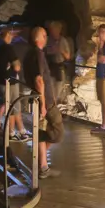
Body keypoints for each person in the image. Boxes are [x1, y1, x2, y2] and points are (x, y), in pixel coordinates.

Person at [24, 27, 64, 179]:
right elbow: (39, 80)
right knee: (58, 132)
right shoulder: (37, 54)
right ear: (39, 38)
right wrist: (43, 103)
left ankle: (42, 165)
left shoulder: (30, 53)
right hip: (44, 100)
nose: (47, 37)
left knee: (42, 131)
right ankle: (42, 164)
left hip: (38, 99)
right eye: (45, 35)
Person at [0, 26, 29, 141]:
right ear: (8, 35)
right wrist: (14, 64)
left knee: (7, 105)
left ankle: (13, 130)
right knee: (13, 106)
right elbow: (17, 66)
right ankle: (13, 132)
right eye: (11, 35)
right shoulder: (8, 48)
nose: (12, 37)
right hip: (10, 81)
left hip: (0, 80)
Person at [46, 21, 71, 104]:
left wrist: (61, 51)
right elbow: (45, 51)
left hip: (59, 67)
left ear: (58, 30)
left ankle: (55, 106)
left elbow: (68, 56)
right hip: (50, 66)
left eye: (53, 29)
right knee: (51, 88)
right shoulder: (49, 39)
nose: (51, 31)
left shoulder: (63, 41)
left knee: (58, 87)